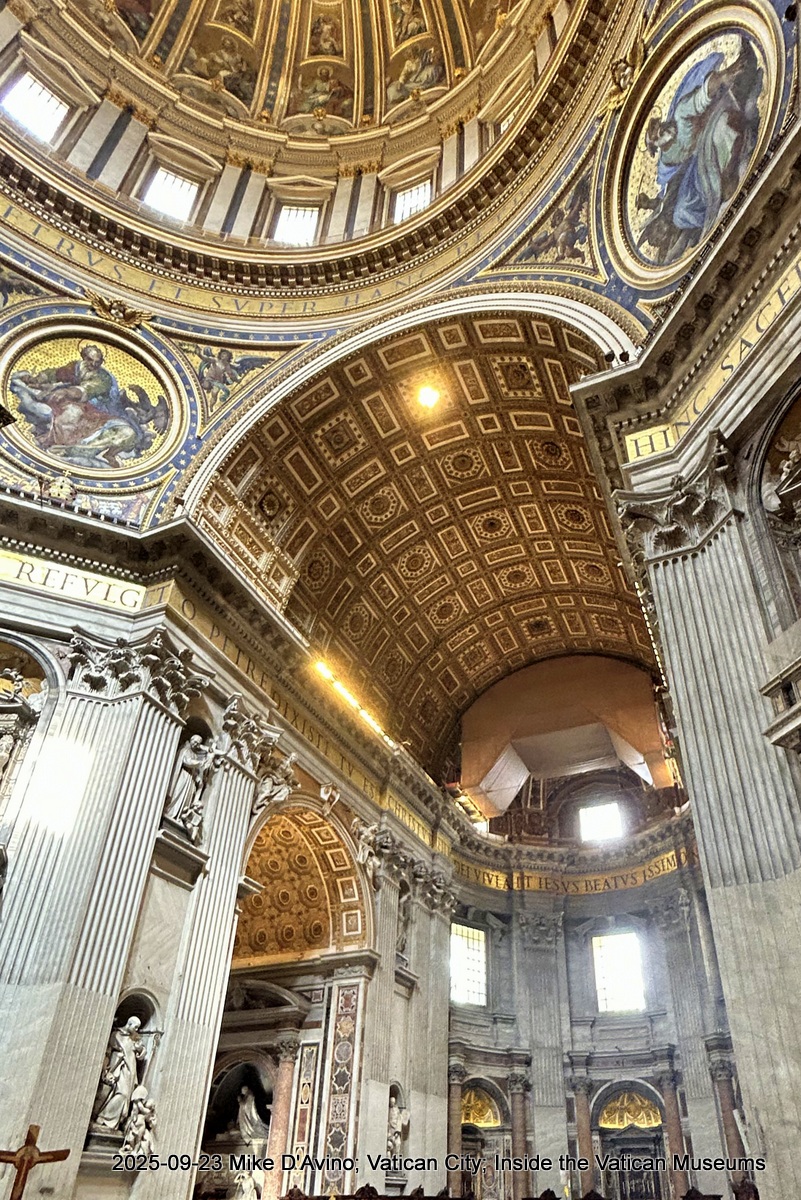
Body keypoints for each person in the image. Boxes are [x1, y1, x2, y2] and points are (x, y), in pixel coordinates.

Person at [636, 37, 763, 264]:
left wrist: (726, 74)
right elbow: (668, 187)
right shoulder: (667, 161)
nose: (661, 129)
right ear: (655, 147)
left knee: (722, 131)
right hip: (695, 170)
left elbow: (702, 95)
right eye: (655, 134)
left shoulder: (680, 114)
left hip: (715, 118)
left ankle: (731, 171)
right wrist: (652, 203)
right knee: (682, 211)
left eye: (658, 125)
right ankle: (714, 206)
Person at [94, 1017, 146, 1130]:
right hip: (118, 1067)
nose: (137, 1030)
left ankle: (114, 1123)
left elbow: (142, 1052)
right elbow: (107, 1052)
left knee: (126, 1095)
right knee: (121, 1094)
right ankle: (104, 1117)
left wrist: (140, 1050)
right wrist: (105, 1069)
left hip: (129, 1070)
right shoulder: (116, 1035)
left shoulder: (135, 1038)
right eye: (135, 1027)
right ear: (129, 1024)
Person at [164, 734, 214, 843]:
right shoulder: (185, 750)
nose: (195, 744)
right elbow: (187, 761)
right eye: (195, 741)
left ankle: (179, 817)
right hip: (182, 777)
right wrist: (200, 762)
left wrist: (197, 777)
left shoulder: (195, 754)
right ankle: (171, 813)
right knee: (178, 795)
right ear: (191, 740)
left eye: (198, 743)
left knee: (186, 799)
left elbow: (194, 769)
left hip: (190, 779)